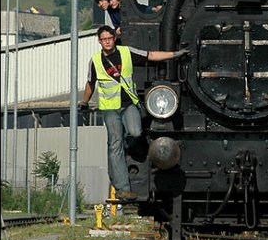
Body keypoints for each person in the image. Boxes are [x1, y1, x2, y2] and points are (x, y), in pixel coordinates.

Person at [80, 25, 188, 201]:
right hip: (109, 108)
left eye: (109, 38)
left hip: (129, 104)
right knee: (114, 146)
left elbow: (151, 56)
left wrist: (175, 54)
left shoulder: (126, 52)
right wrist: (84, 102)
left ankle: (129, 144)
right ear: (99, 41)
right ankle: (123, 188)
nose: (107, 41)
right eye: (103, 39)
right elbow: (90, 84)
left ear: (114, 38)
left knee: (136, 132)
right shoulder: (95, 61)